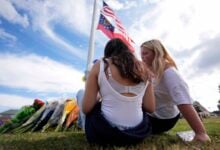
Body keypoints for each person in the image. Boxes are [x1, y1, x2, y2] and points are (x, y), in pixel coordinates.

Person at [82, 38, 155, 146]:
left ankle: (85, 130)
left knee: (81, 94)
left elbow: (86, 108)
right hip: (138, 133)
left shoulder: (100, 64)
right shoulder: (143, 68)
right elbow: (151, 108)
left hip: (105, 133)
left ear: (107, 53)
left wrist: (98, 97)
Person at [140, 39, 211, 142]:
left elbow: (183, 101)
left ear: (156, 53)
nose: (142, 57)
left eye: (145, 53)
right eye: (141, 54)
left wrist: (200, 133)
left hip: (163, 119)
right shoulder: (149, 72)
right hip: (152, 115)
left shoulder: (170, 73)